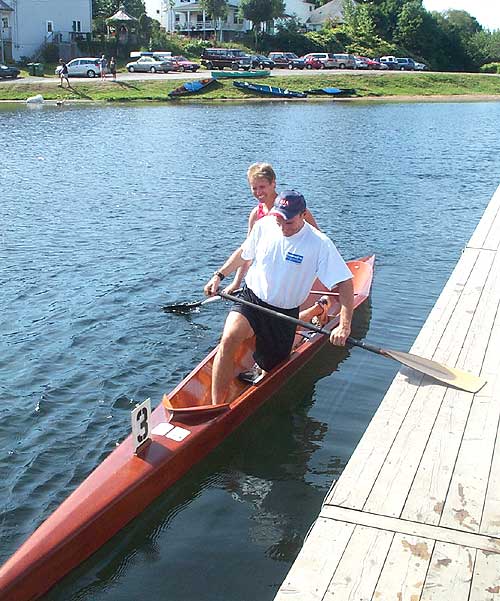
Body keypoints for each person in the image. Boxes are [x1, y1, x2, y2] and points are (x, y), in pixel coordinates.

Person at [204, 190, 354, 405]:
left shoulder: (319, 244)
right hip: (252, 300)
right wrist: (219, 276)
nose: (283, 227)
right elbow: (244, 253)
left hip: (284, 314)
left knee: (271, 368)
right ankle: (215, 408)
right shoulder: (264, 225)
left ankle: (314, 312)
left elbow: (345, 283)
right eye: (279, 220)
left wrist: (344, 326)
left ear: (303, 215)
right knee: (228, 339)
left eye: (289, 222)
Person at [223, 162, 319, 295]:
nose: (258, 192)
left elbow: (318, 241)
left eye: (262, 187)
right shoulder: (256, 215)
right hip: (267, 281)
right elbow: (247, 252)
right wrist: (236, 282)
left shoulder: (295, 210)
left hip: (292, 277)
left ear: (273, 183)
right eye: (254, 188)